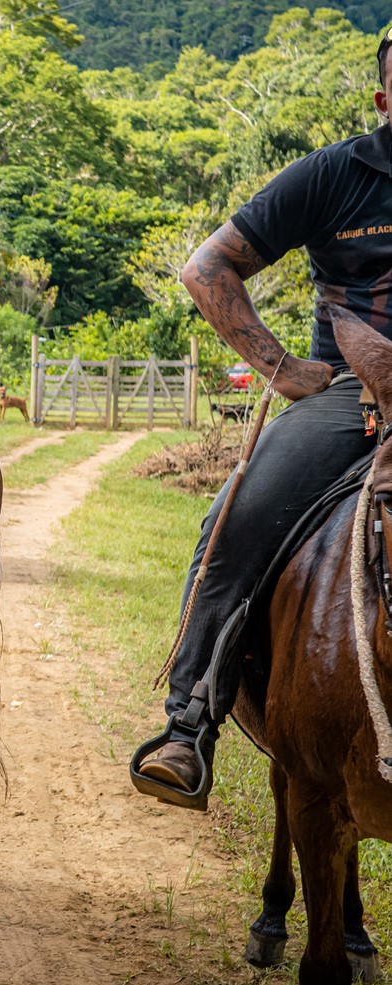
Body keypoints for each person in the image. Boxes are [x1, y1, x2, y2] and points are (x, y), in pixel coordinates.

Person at [131, 31, 392, 809]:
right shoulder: (334, 174)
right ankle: (188, 724)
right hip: (350, 395)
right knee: (234, 520)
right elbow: (207, 267)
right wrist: (282, 367)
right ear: (383, 99)